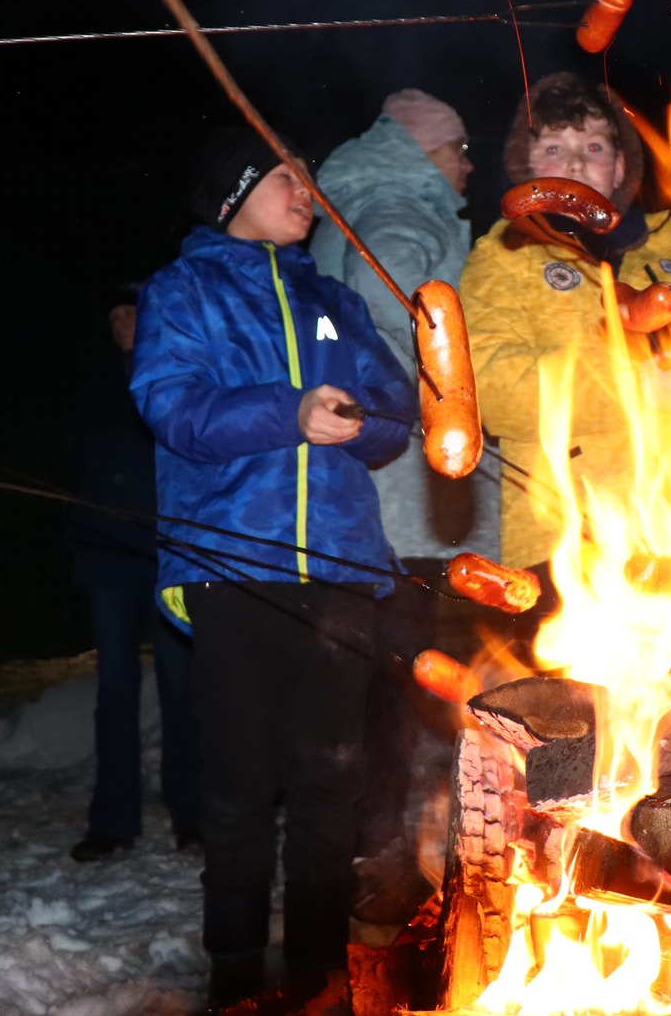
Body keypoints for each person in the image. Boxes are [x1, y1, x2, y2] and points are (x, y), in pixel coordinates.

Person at [133, 127, 415, 1010]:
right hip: (234, 566)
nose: (307, 193)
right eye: (287, 178)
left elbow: (393, 413)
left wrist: (355, 419)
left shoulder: (330, 298)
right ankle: (234, 976)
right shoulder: (185, 292)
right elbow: (175, 408)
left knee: (332, 779)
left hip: (337, 567)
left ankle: (319, 972)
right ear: (233, 196)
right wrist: (289, 411)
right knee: (242, 784)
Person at [310, 89, 499, 920]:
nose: (467, 164)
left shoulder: (363, 192)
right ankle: (375, 844)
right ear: (425, 147)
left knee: (392, 666)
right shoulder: (395, 202)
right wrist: (452, 368)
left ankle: (372, 832)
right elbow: (402, 303)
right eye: (459, 147)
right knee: (395, 667)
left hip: (378, 488)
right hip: (397, 490)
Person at [459, 71, 671, 571]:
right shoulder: (502, 259)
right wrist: (627, 385)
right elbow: (490, 392)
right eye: (553, 148)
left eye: (593, 148)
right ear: (525, 165)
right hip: (566, 547)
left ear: (618, 169)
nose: (573, 163)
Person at [68, 283, 202, 863]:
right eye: (116, 314)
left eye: (134, 312)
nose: (124, 322)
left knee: (182, 689)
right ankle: (113, 822)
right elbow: (74, 468)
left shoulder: (177, 377)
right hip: (108, 559)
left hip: (169, 556)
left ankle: (193, 817)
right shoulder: (93, 386)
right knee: (115, 689)